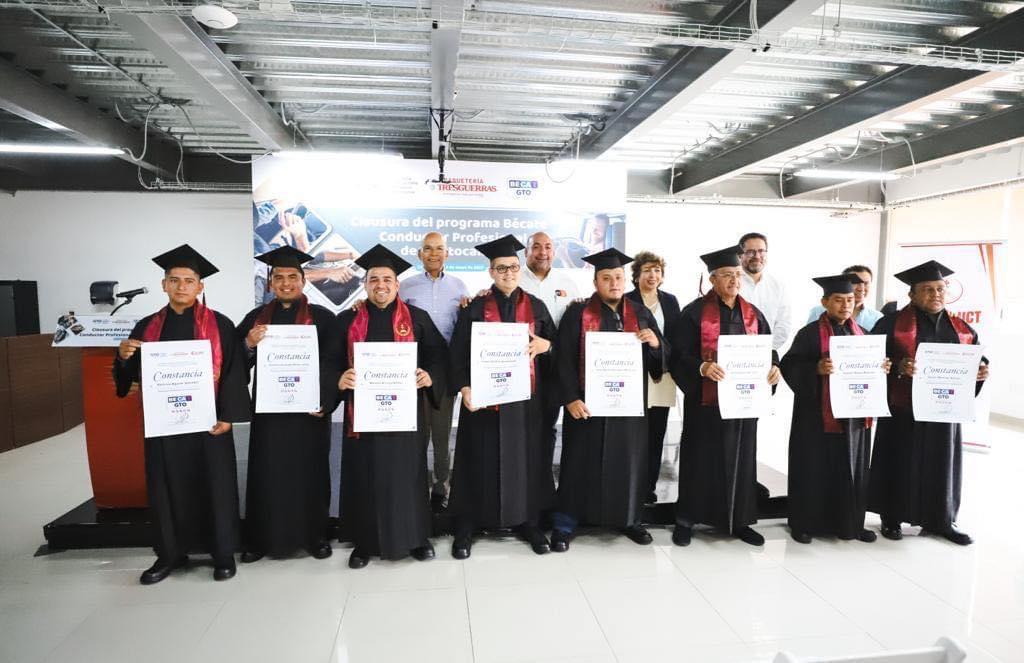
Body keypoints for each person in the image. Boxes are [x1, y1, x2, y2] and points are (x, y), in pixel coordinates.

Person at [113, 244, 250, 584]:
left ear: (200, 286)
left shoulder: (220, 325)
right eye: (174, 280)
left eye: (189, 281)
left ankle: (222, 553)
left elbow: (234, 372)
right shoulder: (146, 327)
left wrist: (228, 416)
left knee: (215, 487)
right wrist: (123, 357)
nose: (181, 287)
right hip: (165, 426)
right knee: (165, 489)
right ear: (164, 285)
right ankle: (169, 554)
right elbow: (129, 377)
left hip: (209, 426)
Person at [336, 244, 449, 568]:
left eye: (387, 279)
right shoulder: (348, 320)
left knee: (408, 475)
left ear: (397, 285)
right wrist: (339, 379)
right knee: (365, 475)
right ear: (365, 284)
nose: (381, 285)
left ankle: (416, 537)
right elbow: (329, 361)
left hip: (405, 417)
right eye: (374, 279)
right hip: (364, 420)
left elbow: (438, 356)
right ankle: (365, 542)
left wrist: (429, 376)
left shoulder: (417, 319)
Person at [447, 235, 557, 558]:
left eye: (512, 267)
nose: (508, 273)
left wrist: (547, 346)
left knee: (526, 461)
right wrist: (464, 387)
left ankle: (528, 521)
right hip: (484, 403)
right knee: (477, 460)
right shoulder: (475, 308)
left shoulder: (537, 307)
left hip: (525, 404)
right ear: (491, 272)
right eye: (501, 268)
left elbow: (557, 351)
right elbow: (457, 355)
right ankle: (468, 523)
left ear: (520, 268)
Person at [550, 248, 666, 552]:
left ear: (625, 280)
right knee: (579, 465)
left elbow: (661, 356)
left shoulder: (641, 313)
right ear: (595, 282)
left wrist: (656, 343)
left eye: (618, 277)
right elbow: (563, 360)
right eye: (606, 278)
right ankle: (565, 524)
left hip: (627, 408)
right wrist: (570, 399)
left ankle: (629, 519)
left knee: (627, 464)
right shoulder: (577, 313)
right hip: (587, 408)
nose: (614, 283)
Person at [868, 260, 989, 545]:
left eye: (940, 288)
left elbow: (976, 358)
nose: (936, 294)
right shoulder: (891, 324)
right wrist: (898, 366)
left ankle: (941, 520)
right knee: (899, 460)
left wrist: (980, 370)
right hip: (903, 409)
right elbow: (870, 359)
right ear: (912, 294)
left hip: (943, 410)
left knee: (941, 464)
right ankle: (892, 517)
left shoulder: (962, 329)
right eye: (927, 289)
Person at [236, 245, 343, 563]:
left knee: (310, 474)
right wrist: (248, 344)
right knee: (267, 474)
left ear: (303, 281)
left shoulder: (323, 319)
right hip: (270, 415)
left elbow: (334, 364)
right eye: (279, 278)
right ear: (270, 283)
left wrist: (325, 400)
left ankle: (315, 536)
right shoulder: (256, 319)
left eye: (292, 277)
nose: (286, 283)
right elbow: (232, 362)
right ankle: (261, 539)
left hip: (308, 415)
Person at [669, 246, 780, 547]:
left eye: (737, 275)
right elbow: (676, 355)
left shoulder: (753, 315)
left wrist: (774, 367)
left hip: (743, 404)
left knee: (742, 461)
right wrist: (701, 367)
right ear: (712, 279)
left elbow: (768, 350)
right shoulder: (693, 314)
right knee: (699, 460)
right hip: (705, 404)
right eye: (727, 275)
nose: (734, 280)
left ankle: (739, 520)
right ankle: (686, 520)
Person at [781, 273, 891, 544]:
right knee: (813, 468)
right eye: (839, 300)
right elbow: (789, 365)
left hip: (853, 417)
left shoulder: (864, 335)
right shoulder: (809, 334)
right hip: (816, 418)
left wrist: (882, 368)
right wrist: (815, 369)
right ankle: (804, 524)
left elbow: (873, 371)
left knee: (851, 468)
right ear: (825, 302)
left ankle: (850, 523)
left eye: (850, 300)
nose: (845, 305)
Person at [399, 232, 469, 510]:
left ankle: (441, 488)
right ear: (419, 254)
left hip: (445, 370)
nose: (433, 254)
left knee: (441, 434)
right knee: (415, 433)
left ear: (447, 254)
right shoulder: (405, 287)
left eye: (439, 249)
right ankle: (414, 488)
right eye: (427, 249)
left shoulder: (459, 286)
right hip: (413, 369)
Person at [518, 231, 581, 473]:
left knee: (547, 427)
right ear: (526, 252)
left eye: (547, 247)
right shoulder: (514, 278)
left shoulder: (568, 284)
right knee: (519, 427)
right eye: (536, 247)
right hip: (522, 365)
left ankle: (542, 481)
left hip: (556, 365)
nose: (542, 252)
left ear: (554, 252)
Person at [625, 251, 680, 504]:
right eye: (647, 270)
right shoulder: (626, 300)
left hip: (662, 376)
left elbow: (677, 339)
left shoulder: (670, 301)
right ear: (636, 275)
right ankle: (630, 485)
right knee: (633, 434)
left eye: (657, 270)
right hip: (632, 376)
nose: (653, 275)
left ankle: (648, 487)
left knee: (656, 434)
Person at [738, 232, 792, 352]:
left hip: (768, 353)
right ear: (740, 255)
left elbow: (784, 324)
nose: (757, 256)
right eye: (750, 252)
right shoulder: (731, 284)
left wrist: (765, 349)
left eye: (761, 251)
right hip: (735, 353)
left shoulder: (778, 286)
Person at [806, 265, 884, 331]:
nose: (861, 288)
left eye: (866, 283)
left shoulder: (877, 317)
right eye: (855, 282)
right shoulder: (817, 312)